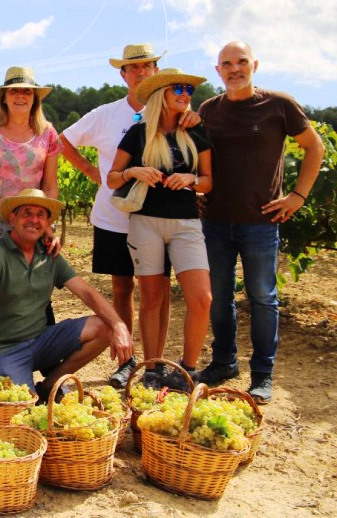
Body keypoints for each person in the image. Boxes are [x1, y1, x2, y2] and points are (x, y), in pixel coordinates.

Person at [60, 44, 198, 388]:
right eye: (133, 67)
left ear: (157, 73)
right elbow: (63, 141)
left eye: (148, 66)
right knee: (122, 287)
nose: (141, 72)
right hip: (114, 217)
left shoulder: (178, 115)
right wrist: (93, 172)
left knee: (158, 289)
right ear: (123, 74)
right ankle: (126, 359)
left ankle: (156, 361)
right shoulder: (106, 114)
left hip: (159, 218)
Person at [198, 41, 324, 403]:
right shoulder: (209, 110)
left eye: (241, 62)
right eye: (227, 64)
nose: (234, 69)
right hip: (215, 221)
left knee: (263, 298)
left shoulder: (279, 105)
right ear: (218, 70)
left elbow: (315, 147)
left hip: (261, 223)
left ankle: (263, 374)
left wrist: (297, 196)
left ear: (254, 65)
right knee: (219, 296)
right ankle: (224, 362)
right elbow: (196, 155)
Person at [107, 69, 214, 391]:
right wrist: (133, 171)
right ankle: (152, 368)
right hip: (145, 222)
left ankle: (188, 369)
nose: (185, 94)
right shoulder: (138, 134)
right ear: (161, 94)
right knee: (152, 298)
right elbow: (112, 178)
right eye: (178, 89)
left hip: (186, 224)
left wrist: (191, 180)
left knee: (202, 298)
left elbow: (209, 181)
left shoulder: (196, 133)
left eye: (188, 90)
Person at [0, 189, 133, 401]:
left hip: (42, 341)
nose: (34, 220)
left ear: (47, 223)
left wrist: (119, 326)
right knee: (24, 405)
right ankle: (10, 381)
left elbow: (86, 292)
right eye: (27, 213)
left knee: (104, 327)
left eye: (40, 215)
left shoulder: (49, 254)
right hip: (6, 350)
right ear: (13, 218)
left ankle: (50, 385)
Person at [0, 66, 60, 271]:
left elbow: (50, 185)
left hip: (31, 226)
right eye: (13, 91)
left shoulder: (48, 134)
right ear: (4, 98)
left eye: (27, 91)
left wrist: (48, 225)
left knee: (32, 294)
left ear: (35, 98)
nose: (20, 95)